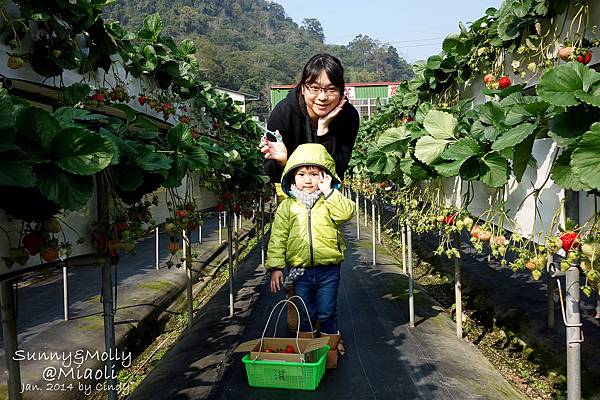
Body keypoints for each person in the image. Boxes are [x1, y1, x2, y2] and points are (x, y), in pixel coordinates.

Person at [266, 143, 356, 368]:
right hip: (299, 270)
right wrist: (276, 267)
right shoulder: (288, 207)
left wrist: (330, 192)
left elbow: (347, 213)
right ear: (292, 178)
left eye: (314, 174)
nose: (307, 180)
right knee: (304, 313)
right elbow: (278, 237)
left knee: (327, 311)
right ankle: (307, 351)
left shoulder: (329, 201)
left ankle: (329, 350)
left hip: (328, 269)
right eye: (301, 174)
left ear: (325, 176)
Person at [261, 53, 360, 187]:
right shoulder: (283, 113)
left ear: (342, 92)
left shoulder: (348, 116)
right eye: (314, 88)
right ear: (303, 88)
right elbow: (271, 172)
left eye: (331, 89)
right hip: (289, 190)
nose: (322, 97)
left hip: (328, 191)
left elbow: (339, 168)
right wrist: (282, 162)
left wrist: (323, 131)